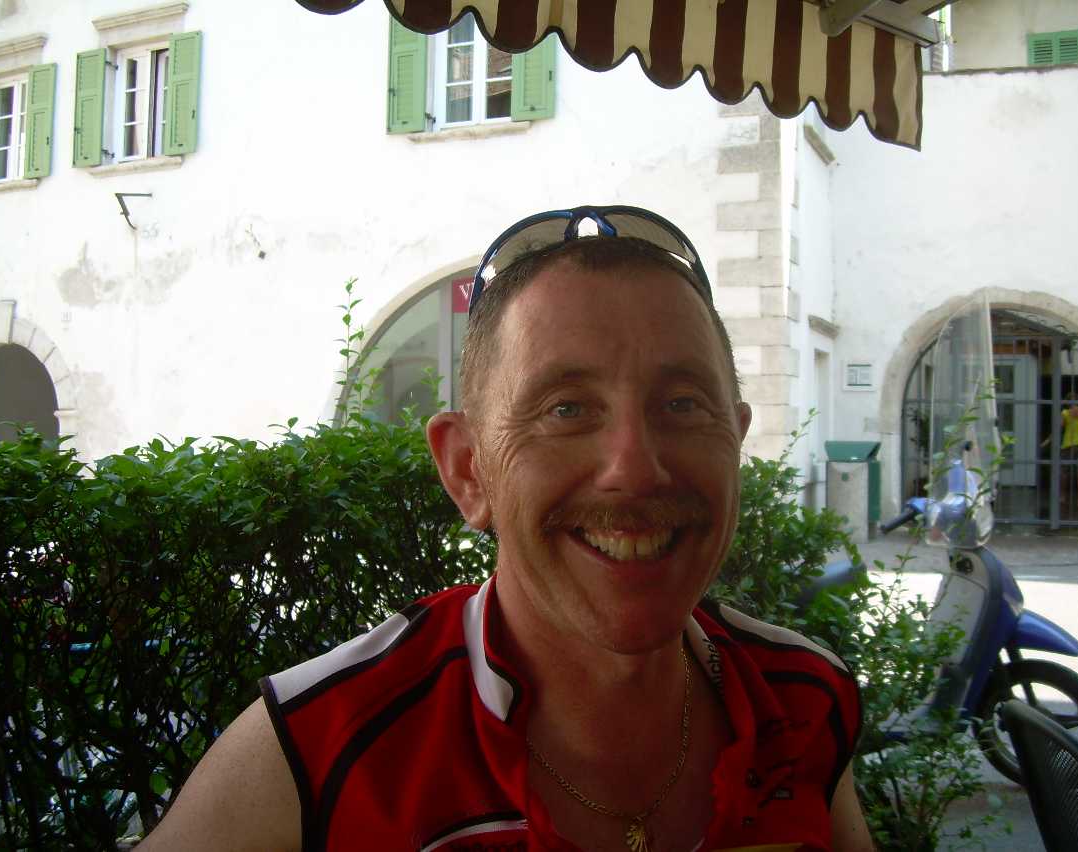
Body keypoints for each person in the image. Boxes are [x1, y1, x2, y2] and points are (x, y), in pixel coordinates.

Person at [139, 205, 874, 851]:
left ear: (735, 440)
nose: (634, 468)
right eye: (566, 409)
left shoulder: (806, 703)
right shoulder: (318, 746)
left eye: (682, 404)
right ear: (468, 470)